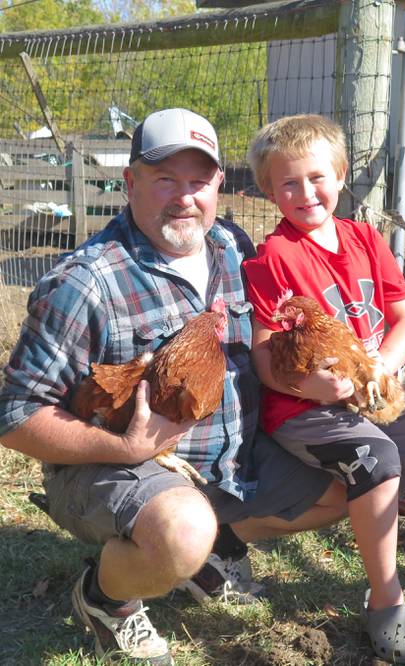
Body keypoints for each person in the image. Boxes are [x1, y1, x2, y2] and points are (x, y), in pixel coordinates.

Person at [0, 108, 347, 665]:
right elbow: (14, 416)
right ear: (130, 182)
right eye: (165, 179)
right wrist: (124, 447)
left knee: (346, 486)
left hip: (229, 458)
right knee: (183, 530)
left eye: (198, 181)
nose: (184, 197)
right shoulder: (84, 283)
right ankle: (106, 599)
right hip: (115, 466)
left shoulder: (233, 248)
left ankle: (215, 547)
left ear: (218, 186)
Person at [243, 114, 405, 664]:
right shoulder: (274, 259)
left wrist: (382, 366)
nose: (305, 192)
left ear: (340, 175)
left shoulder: (365, 239)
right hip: (301, 405)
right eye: (288, 182)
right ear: (269, 190)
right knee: (376, 457)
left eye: (317, 177)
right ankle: (387, 602)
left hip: (374, 387)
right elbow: (265, 357)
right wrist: (313, 385)